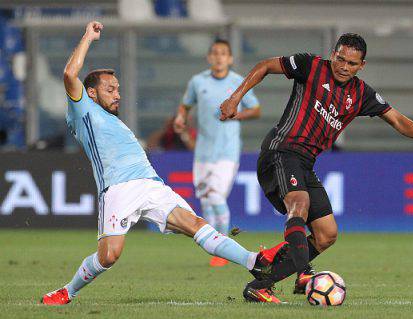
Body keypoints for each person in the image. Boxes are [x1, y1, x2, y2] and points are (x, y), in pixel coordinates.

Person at [40, 21, 286, 306]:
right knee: (109, 256)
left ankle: (255, 260)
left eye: (118, 89)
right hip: (119, 189)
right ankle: (66, 292)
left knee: (195, 224)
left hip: (151, 183)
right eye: (110, 90)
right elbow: (70, 73)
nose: (117, 94)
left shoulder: (112, 120)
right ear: (91, 93)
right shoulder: (83, 111)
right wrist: (87, 37)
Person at [220, 33, 413, 303]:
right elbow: (266, 65)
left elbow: (395, 118)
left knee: (326, 234)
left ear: (362, 65)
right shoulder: (310, 66)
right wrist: (235, 98)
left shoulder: (361, 94)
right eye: (340, 59)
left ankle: (260, 285)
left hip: (305, 163)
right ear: (332, 54)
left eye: (351, 63)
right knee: (298, 203)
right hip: (280, 150)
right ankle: (304, 273)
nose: (343, 66)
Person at [174, 39, 261, 267]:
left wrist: (236, 114)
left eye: (223, 53)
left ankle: (222, 246)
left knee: (215, 195)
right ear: (209, 57)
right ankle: (215, 246)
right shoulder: (198, 81)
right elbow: (186, 105)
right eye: (215, 53)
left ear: (230, 58)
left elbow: (255, 109)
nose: (219, 57)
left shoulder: (237, 82)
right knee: (204, 198)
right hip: (203, 151)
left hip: (227, 151)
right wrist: (181, 117)